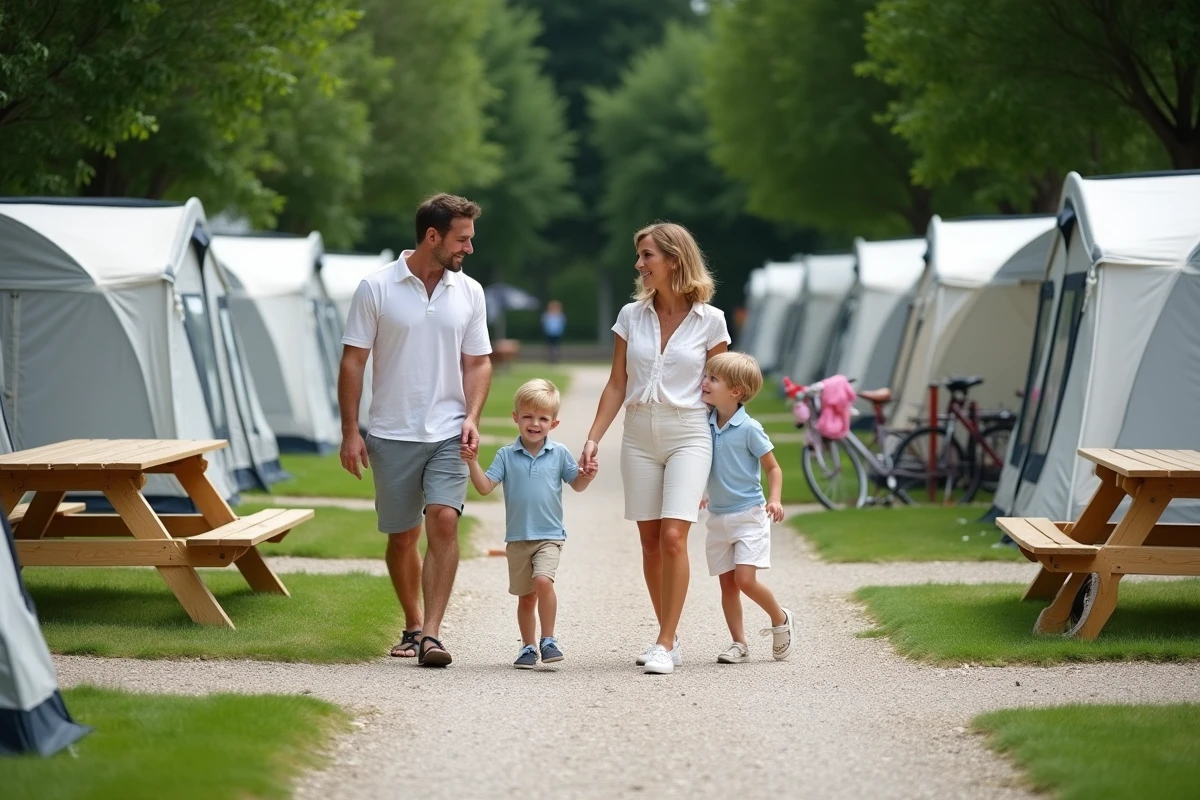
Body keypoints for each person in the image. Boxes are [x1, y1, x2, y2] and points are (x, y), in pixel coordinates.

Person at [338, 193, 492, 668]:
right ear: (433, 236)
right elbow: (353, 361)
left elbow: (479, 362)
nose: (469, 248)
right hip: (391, 431)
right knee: (403, 535)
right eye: (462, 239)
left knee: (444, 520)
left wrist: (471, 416)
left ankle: (432, 634)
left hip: (448, 432)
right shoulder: (376, 287)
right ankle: (411, 620)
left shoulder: (470, 292)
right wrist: (350, 431)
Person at [580, 222, 730, 675]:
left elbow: (723, 388)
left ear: (674, 260)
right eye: (639, 255)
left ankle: (664, 642)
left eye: (647, 255)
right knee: (648, 541)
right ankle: (672, 636)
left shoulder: (713, 320)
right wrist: (592, 438)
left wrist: (725, 458)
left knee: (672, 536)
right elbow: (616, 382)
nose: (639, 264)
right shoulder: (630, 316)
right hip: (639, 433)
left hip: (689, 432)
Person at [462, 379, 595, 669]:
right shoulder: (506, 456)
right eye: (528, 417)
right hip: (518, 539)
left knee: (543, 581)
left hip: (549, 536)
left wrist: (588, 474)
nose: (535, 424)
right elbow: (485, 487)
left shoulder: (558, 453)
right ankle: (528, 646)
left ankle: (548, 639)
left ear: (554, 423)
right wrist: (471, 462)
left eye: (543, 419)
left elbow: (578, 484)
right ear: (516, 417)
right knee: (525, 598)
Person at [699, 352, 794, 663]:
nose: (704, 382)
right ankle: (739, 643)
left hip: (749, 515)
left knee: (745, 580)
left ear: (735, 392)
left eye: (713, 379)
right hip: (718, 517)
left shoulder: (750, 428)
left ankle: (780, 618)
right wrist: (701, 492)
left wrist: (775, 498)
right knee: (727, 585)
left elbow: (774, 468)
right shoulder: (705, 424)